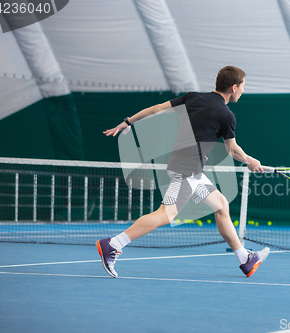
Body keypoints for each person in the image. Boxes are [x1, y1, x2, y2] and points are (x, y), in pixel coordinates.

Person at [98, 66, 269, 278]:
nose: (243, 90)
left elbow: (157, 108)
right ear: (233, 87)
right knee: (165, 214)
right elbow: (232, 149)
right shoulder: (226, 115)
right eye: (243, 86)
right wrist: (251, 161)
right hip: (186, 171)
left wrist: (127, 122)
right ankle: (113, 244)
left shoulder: (194, 97)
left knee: (222, 205)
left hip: (190, 169)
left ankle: (244, 258)